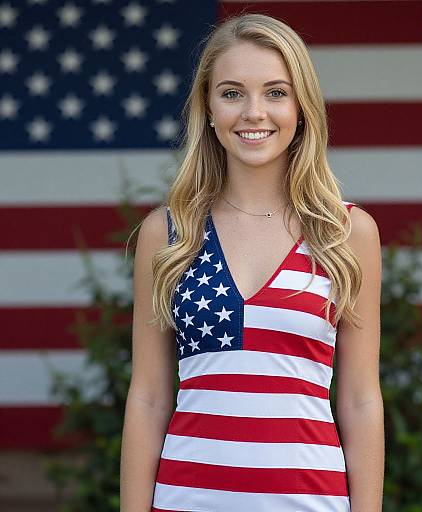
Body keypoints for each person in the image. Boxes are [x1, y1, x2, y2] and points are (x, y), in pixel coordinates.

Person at [120, 12, 384, 512]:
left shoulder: (347, 233)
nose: (254, 112)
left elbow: (360, 399)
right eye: (232, 92)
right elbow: (149, 397)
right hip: (185, 500)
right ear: (209, 108)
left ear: (302, 107)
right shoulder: (169, 232)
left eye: (276, 92)